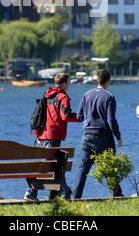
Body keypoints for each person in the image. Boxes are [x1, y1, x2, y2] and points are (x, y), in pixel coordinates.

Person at [24, 72, 81, 201]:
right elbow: (66, 116)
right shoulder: (63, 97)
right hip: (54, 135)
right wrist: (81, 117)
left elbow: (39, 116)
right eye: (69, 83)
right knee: (47, 165)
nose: (69, 86)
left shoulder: (47, 95)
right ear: (64, 83)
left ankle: (64, 192)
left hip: (44, 134)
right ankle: (31, 192)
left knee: (56, 165)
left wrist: (38, 134)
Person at [72, 69, 123, 199]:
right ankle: (116, 193)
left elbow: (79, 116)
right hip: (103, 136)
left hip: (87, 136)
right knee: (109, 164)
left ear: (97, 80)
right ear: (108, 81)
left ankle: (75, 196)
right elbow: (111, 120)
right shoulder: (109, 97)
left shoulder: (86, 94)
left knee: (83, 167)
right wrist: (118, 137)